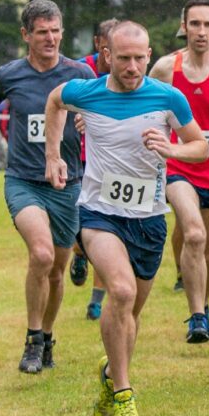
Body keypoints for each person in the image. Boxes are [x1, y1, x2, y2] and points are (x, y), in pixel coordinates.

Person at [45, 21, 208, 416]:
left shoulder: (167, 97)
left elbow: (201, 146)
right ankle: (123, 393)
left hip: (149, 220)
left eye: (139, 58)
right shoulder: (88, 93)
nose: (132, 66)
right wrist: (53, 155)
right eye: (123, 58)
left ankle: (109, 374)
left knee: (128, 317)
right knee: (119, 291)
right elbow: (54, 99)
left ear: (149, 55)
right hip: (100, 214)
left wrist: (172, 149)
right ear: (107, 56)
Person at [0, 0, 95, 374]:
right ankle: (31, 339)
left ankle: (46, 335)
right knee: (41, 255)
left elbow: (100, 112)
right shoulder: (8, 74)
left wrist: (86, 122)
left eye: (56, 30)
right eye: (42, 32)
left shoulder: (79, 74)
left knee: (57, 270)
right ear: (26, 35)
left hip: (67, 182)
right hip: (24, 180)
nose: (51, 38)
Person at [149, 0, 209, 342]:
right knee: (193, 233)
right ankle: (195, 316)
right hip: (179, 166)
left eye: (208, 24)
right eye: (195, 24)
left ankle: (202, 309)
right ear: (184, 27)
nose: (201, 31)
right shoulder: (165, 69)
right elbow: (146, 107)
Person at [73, 17, 119, 320]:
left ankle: (96, 301)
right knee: (80, 225)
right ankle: (79, 253)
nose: (112, 56)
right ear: (98, 45)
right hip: (79, 158)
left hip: (111, 161)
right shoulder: (79, 71)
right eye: (108, 49)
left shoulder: (132, 75)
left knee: (107, 226)